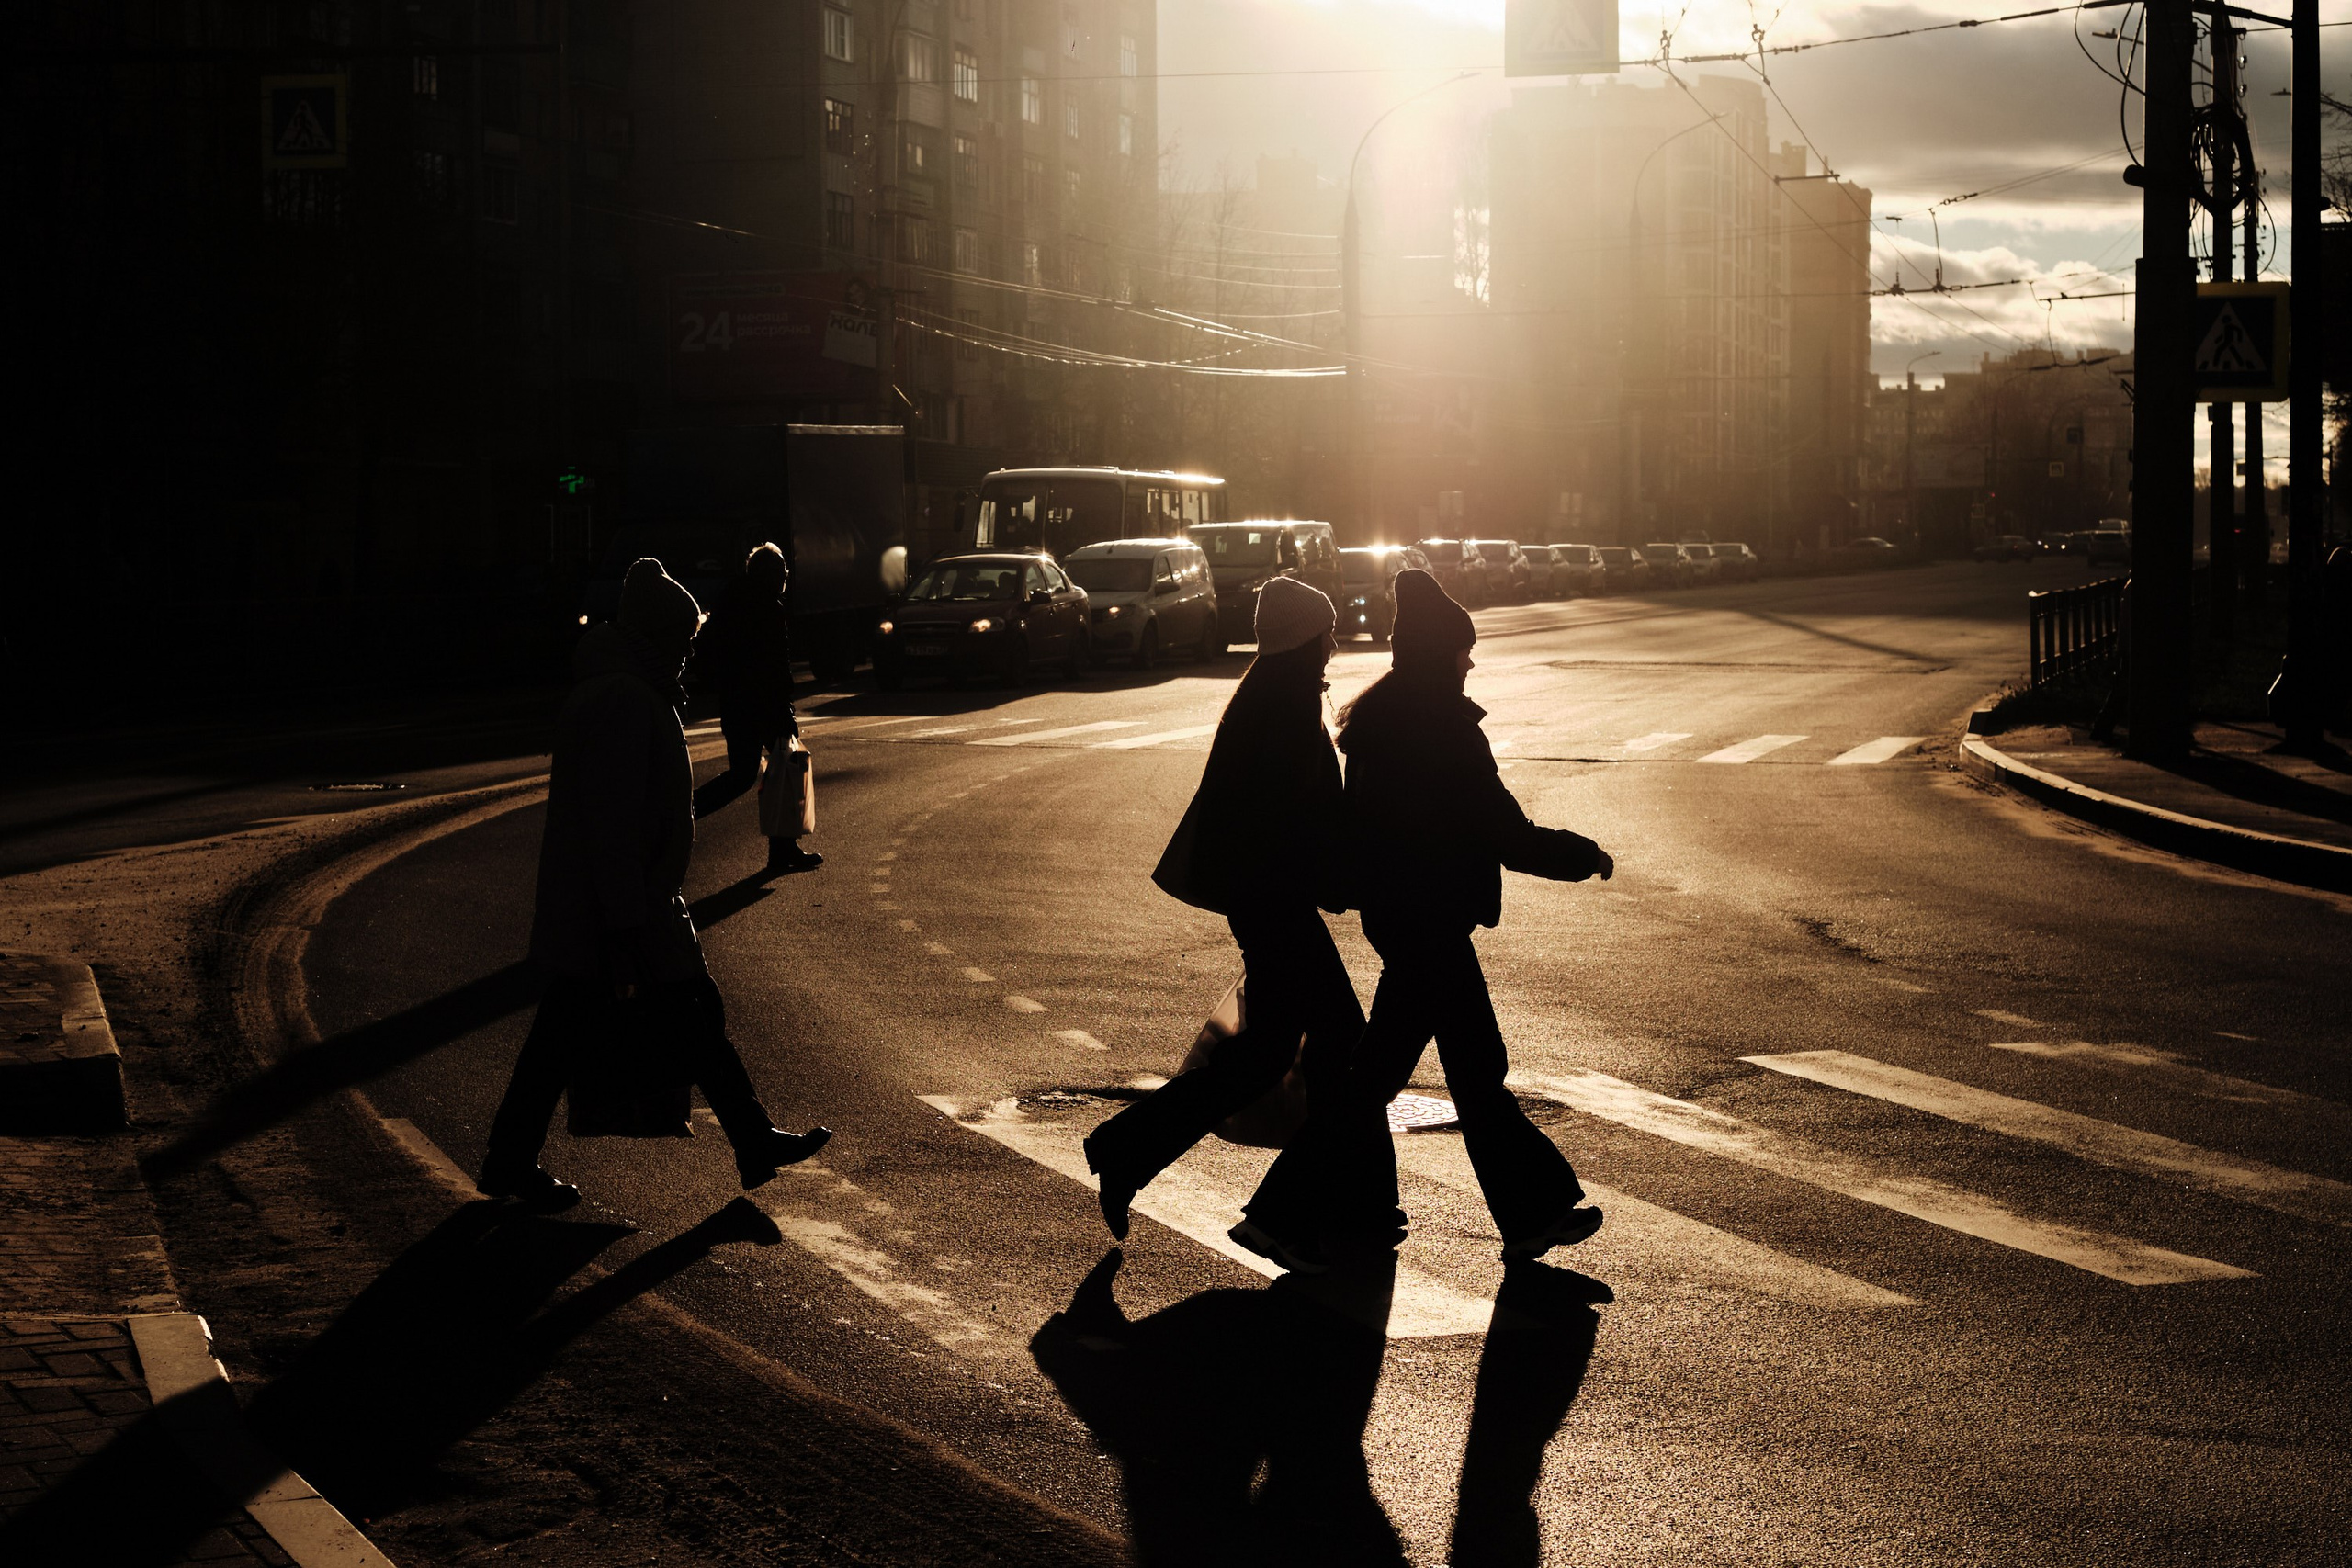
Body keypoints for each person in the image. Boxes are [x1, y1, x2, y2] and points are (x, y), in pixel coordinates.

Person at [478, 558, 831, 1210]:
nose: (689, 655)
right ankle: (750, 1138)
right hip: (621, 907)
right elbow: (612, 822)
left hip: (618, 903)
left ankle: (750, 1138)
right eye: (683, 640)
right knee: (681, 1015)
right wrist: (624, 920)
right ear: (658, 636)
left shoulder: (624, 690)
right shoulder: (626, 700)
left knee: (589, 1029)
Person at [1083, 577, 1366, 1273]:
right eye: (1326, 633)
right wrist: (1346, 876)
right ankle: (1291, 1214)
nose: (1334, 644)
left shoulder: (1268, 698)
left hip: (1267, 902)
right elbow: (1301, 821)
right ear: (1305, 639)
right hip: (1278, 905)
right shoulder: (1285, 710)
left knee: (1268, 1055)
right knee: (1344, 1044)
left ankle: (1127, 1150)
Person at [1331, 568, 1613, 1262]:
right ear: (1440, 655)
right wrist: (1581, 855)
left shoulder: (1379, 724)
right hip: (1430, 921)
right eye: (1463, 650)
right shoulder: (1443, 732)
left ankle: (1531, 1214)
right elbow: (1504, 832)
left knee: (1401, 1073)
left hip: (1403, 916)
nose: (1470, 663)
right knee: (1462, 1071)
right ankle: (1293, 1211)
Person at [692, 542, 821, 877]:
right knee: (786, 772)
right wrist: (785, 707)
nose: (784, 579)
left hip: (736, 705)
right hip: (766, 705)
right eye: (782, 573)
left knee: (743, 775)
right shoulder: (768, 607)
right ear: (769, 575)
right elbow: (775, 664)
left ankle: (686, 813)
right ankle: (782, 849)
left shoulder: (729, 600)